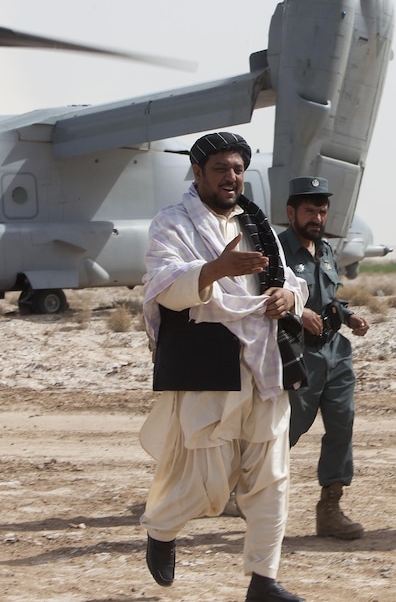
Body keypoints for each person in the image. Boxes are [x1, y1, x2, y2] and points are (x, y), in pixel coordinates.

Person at [140, 131, 309, 602]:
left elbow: (293, 280)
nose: (232, 178)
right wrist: (215, 269)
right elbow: (160, 283)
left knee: (271, 475)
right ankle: (162, 529)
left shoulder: (256, 223)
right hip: (210, 361)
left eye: (237, 169)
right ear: (198, 174)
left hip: (265, 361)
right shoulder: (172, 224)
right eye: (221, 169)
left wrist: (287, 295)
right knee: (207, 482)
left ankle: (263, 580)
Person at [277, 176, 370, 540]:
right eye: (309, 211)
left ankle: (330, 507)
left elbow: (329, 298)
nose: (317, 217)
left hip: (336, 352)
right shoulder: (278, 250)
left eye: (322, 210)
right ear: (291, 212)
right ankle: (244, 484)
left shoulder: (326, 250)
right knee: (290, 427)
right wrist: (298, 314)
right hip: (297, 354)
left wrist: (349, 317)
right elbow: (263, 297)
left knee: (342, 424)